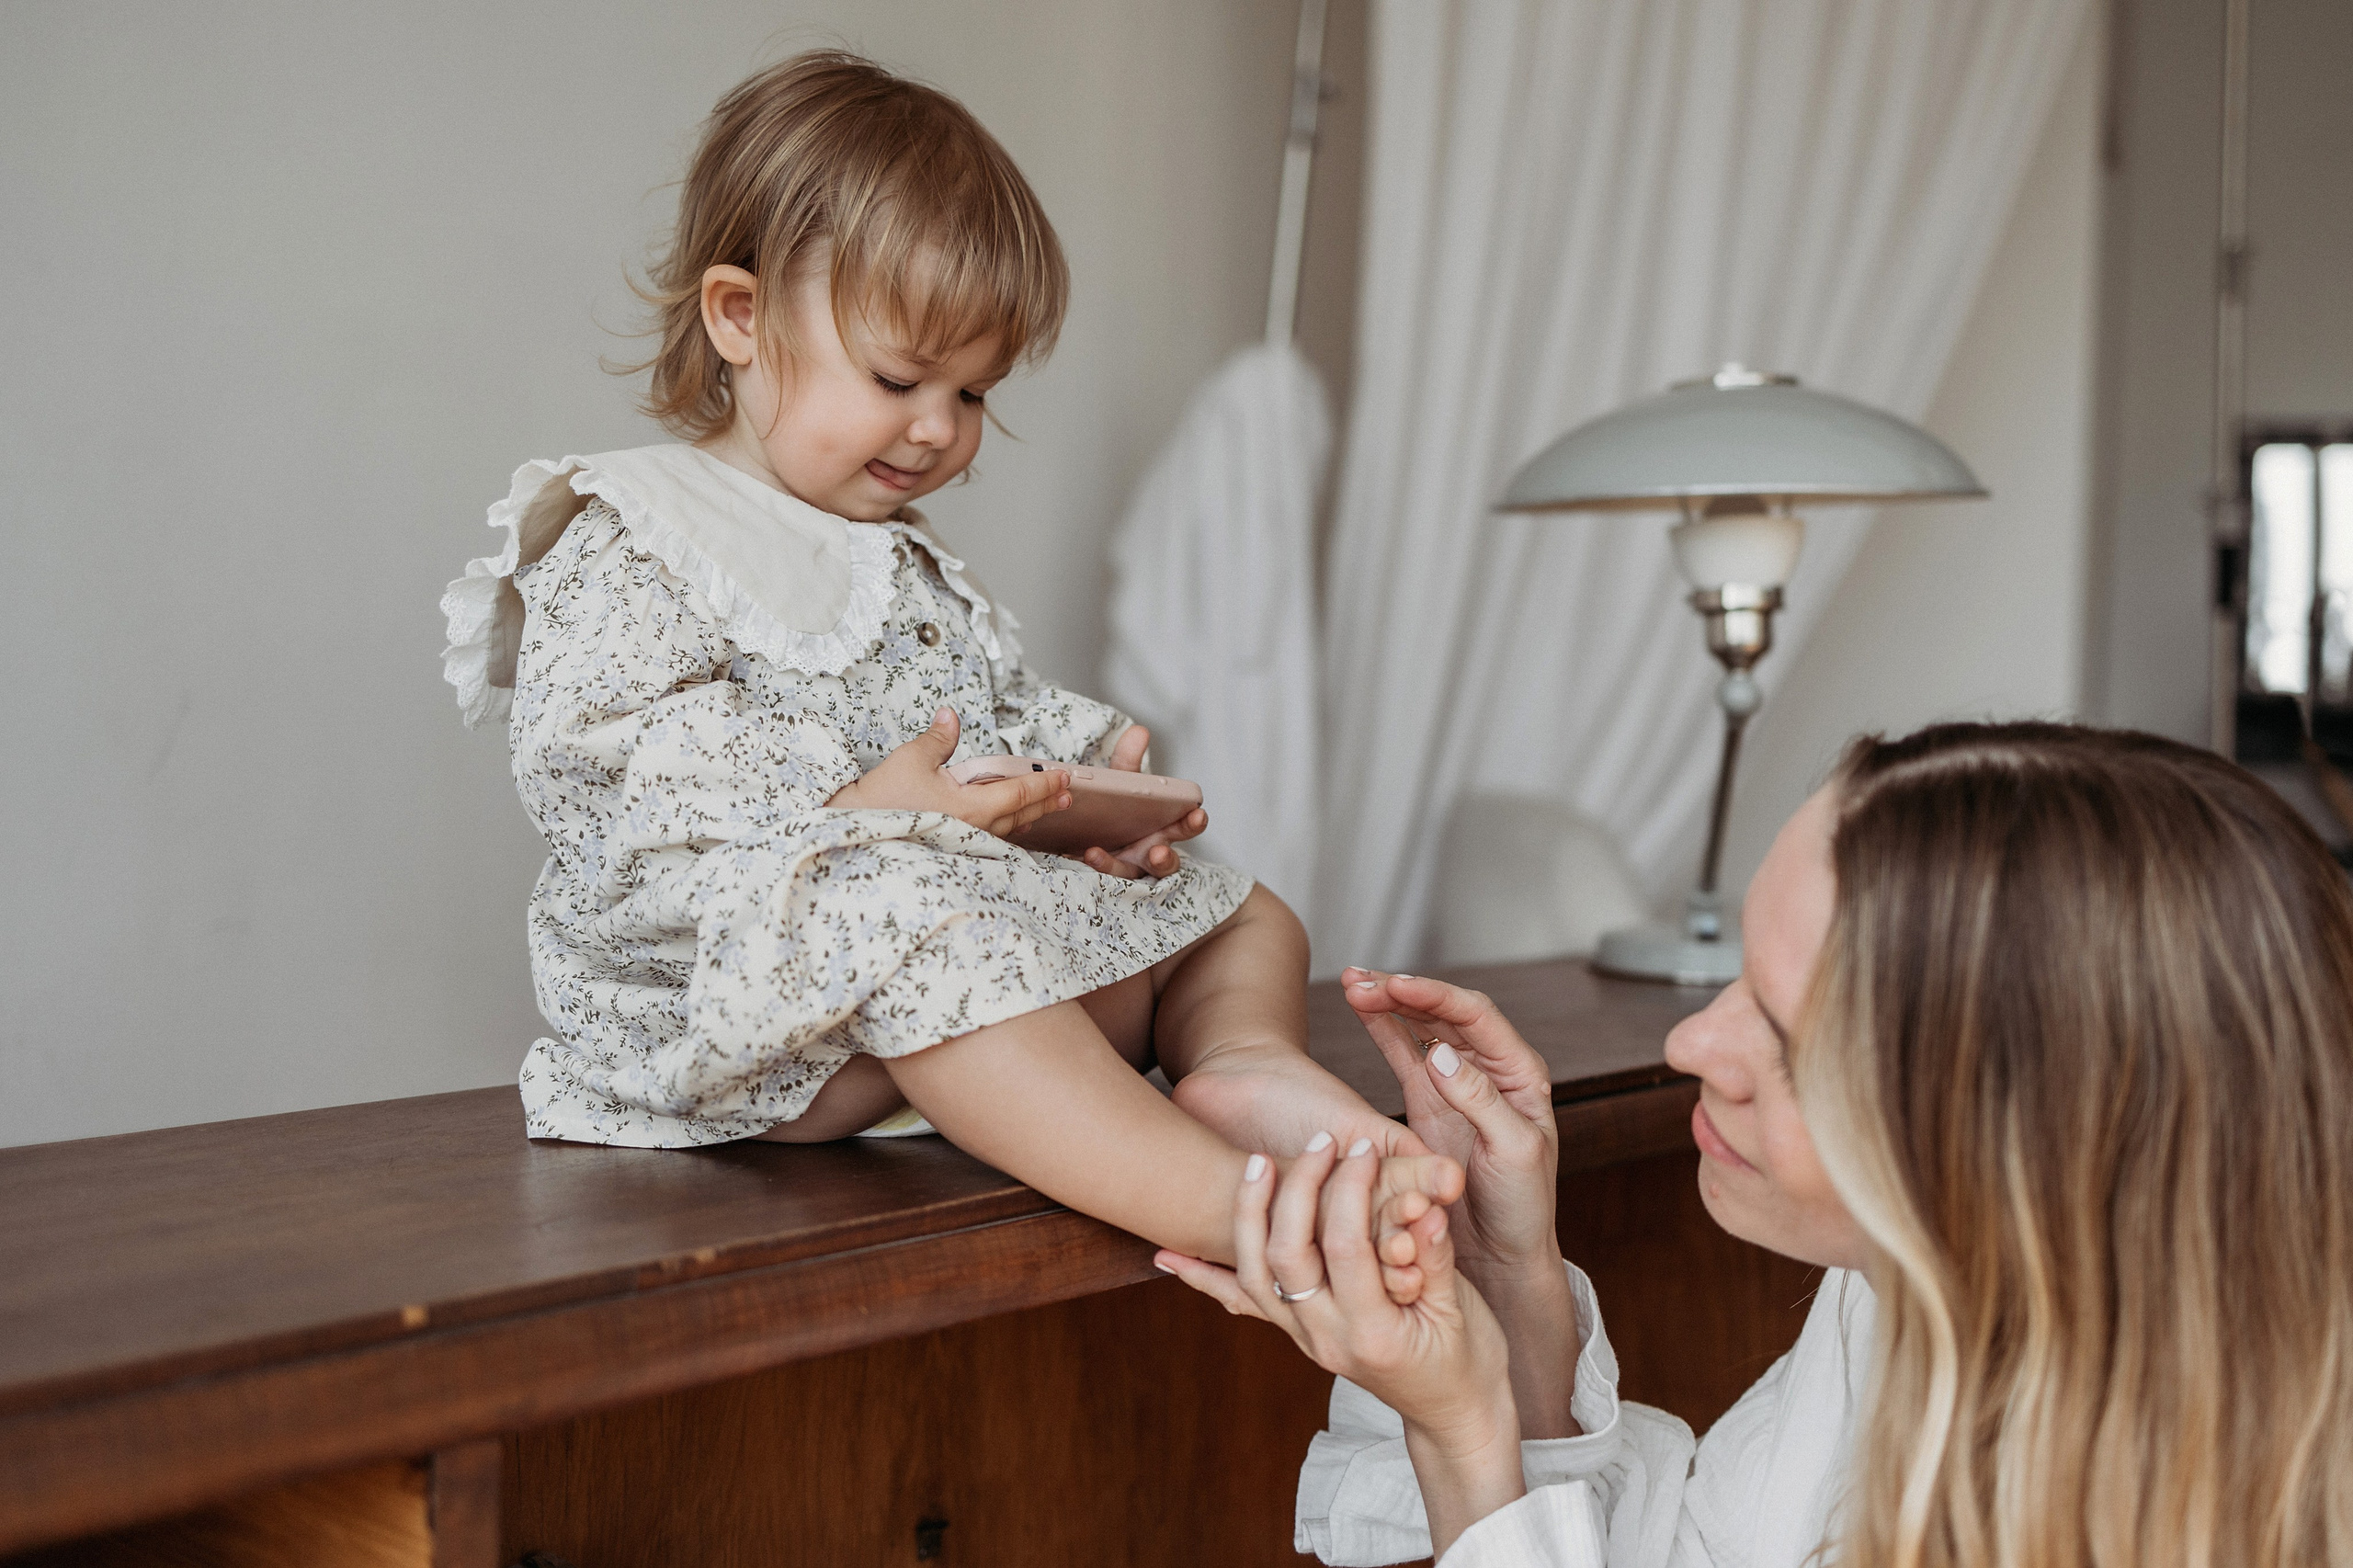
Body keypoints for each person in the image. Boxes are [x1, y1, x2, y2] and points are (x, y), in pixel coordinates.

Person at [437, 51, 1457, 1263]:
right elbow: (623, 791)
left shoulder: (899, 560)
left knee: (1238, 910)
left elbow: (979, 712)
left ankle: (1243, 1064)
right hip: (734, 1006)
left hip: (907, 964)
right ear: (740, 317)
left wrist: (1073, 786)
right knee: (913, 912)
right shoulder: (636, 532)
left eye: (974, 394)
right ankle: (1235, 1208)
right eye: (899, 379)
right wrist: (871, 812)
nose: (938, 429)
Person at [1159, 722, 2353, 1565]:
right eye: (1739, 971)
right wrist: (1509, 1284)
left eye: (1787, 1036)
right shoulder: (1892, 1300)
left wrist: (1464, 1437)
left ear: (2016, 1155)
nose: (1692, 1042)